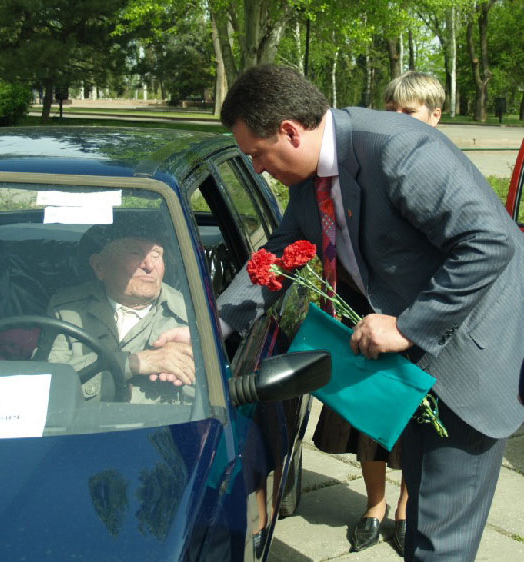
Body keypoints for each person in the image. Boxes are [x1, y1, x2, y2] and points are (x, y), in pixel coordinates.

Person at [179, 64, 523, 561]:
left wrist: (407, 326)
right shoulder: (312, 173)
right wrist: (214, 326)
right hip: (417, 367)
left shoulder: (401, 151)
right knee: (426, 515)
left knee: (439, 540)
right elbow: (278, 256)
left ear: (290, 131)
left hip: (470, 358)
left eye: (257, 154)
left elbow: (489, 244)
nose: (257, 168)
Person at [327, 69, 448, 555]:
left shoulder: (447, 169)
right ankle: (374, 504)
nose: (397, 121)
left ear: (435, 116)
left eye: (410, 112)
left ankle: (405, 506)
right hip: (366, 310)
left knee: (418, 419)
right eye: (391, 111)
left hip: (426, 315)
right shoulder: (367, 163)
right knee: (369, 414)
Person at [47, 218, 195, 403]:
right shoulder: (68, 311)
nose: (149, 266)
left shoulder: (191, 316)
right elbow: (48, 387)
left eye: (156, 255)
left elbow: (203, 400)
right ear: (100, 266)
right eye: (135, 253)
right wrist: (135, 363)